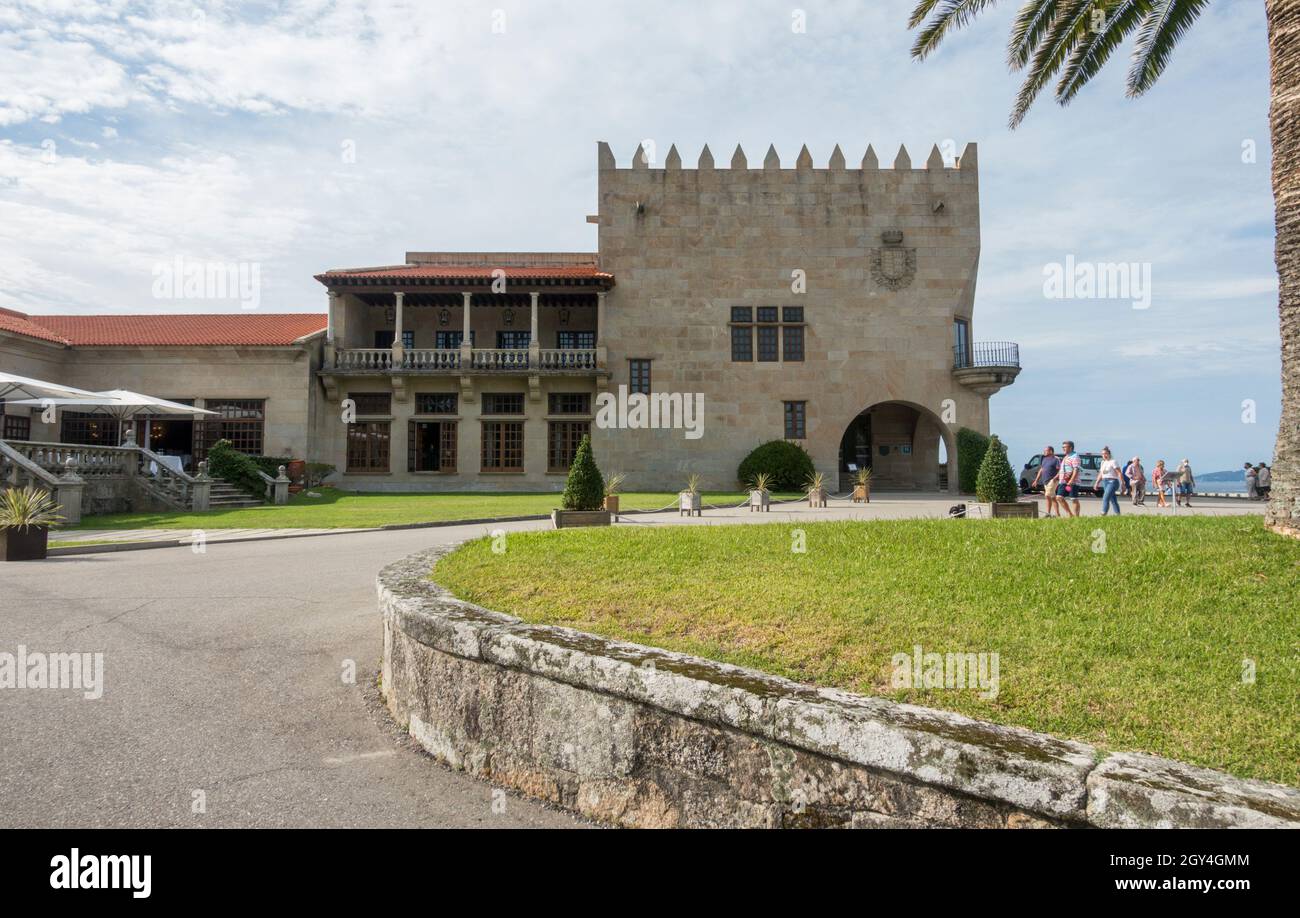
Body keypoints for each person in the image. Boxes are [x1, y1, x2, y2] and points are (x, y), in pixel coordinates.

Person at [1032, 445, 1061, 517]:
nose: (1044, 452)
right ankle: (1055, 514)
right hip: (1045, 481)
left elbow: (1060, 470)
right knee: (1052, 497)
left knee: (1047, 495)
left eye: (1046, 450)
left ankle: (1050, 513)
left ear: (1051, 451)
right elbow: (1041, 470)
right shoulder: (1044, 459)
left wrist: (1055, 478)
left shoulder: (1056, 459)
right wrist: (1036, 480)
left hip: (1053, 480)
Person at [1056, 440, 1082, 518]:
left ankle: (1076, 517)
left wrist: (1071, 480)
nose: (1063, 449)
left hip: (1072, 483)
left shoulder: (1075, 456)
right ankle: (1070, 514)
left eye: (1065, 447)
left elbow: (1076, 469)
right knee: (1059, 497)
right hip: (1064, 482)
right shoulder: (1066, 457)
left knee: (1073, 498)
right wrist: (1056, 477)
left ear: (1070, 448)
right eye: (1062, 447)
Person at [1097, 446, 1122, 515]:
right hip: (1105, 481)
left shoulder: (1113, 462)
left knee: (1105, 497)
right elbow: (1101, 474)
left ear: (1109, 454)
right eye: (1102, 454)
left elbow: (1119, 472)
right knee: (1113, 499)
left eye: (1105, 453)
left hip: (1113, 482)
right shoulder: (1103, 462)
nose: (1104, 455)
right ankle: (1118, 514)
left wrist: (1123, 483)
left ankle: (1103, 512)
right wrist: (1097, 483)